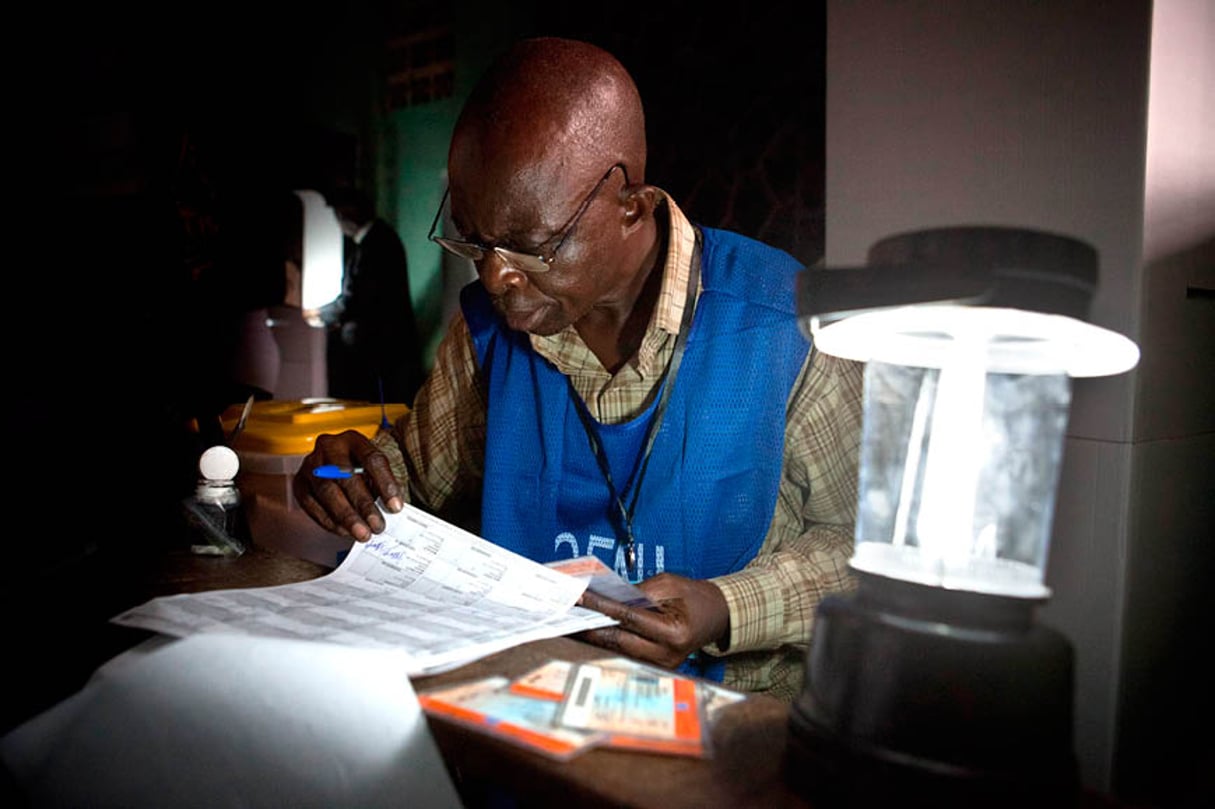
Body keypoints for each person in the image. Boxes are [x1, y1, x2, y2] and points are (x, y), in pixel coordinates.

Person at [292, 37, 864, 701]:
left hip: (726, 744)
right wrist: (350, 476)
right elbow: (412, 483)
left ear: (631, 205)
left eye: (531, 246)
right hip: (527, 717)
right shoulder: (484, 335)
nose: (494, 276)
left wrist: (724, 606)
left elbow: (863, 551)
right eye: (475, 238)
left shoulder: (783, 326)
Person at [316, 187, 424, 405]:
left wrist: (322, 313)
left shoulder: (375, 244)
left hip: (380, 352)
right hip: (386, 349)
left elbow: (357, 298)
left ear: (346, 214)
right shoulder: (380, 238)